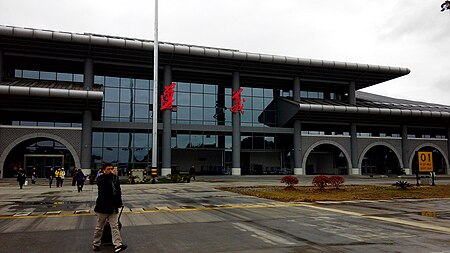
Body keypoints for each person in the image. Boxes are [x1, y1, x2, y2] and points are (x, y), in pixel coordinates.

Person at [92, 163, 127, 252]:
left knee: (114, 226)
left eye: (112, 169)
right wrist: (110, 175)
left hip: (113, 207)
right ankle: (96, 243)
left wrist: (119, 203)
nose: (110, 170)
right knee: (100, 227)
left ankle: (117, 245)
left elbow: (118, 191)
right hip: (102, 207)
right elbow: (104, 185)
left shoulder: (115, 178)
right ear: (103, 170)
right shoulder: (101, 178)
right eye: (108, 169)